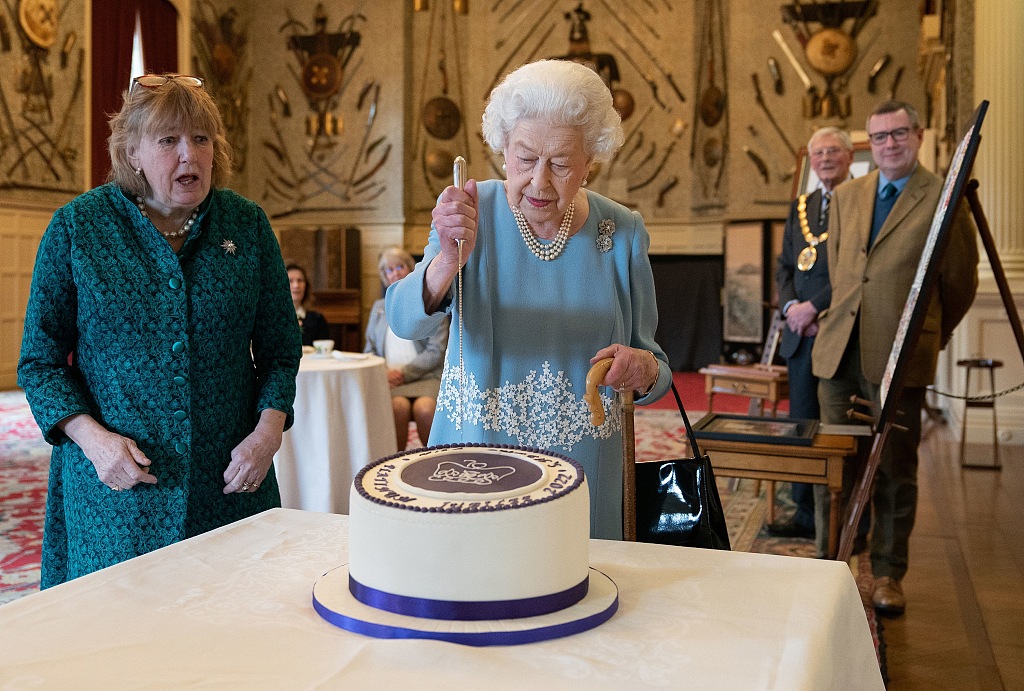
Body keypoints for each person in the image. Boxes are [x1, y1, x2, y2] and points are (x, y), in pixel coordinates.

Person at [17, 74, 302, 588]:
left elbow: (281, 352)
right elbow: (39, 363)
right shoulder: (78, 228)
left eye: (201, 139)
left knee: (232, 628)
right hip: (117, 495)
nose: (188, 155)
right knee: (122, 639)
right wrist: (94, 441)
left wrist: (268, 433)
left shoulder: (248, 225)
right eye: (168, 140)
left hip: (229, 486)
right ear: (132, 154)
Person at [386, 59, 671, 540]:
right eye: (524, 157)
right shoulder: (469, 209)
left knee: (581, 596)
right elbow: (402, 320)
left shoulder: (622, 232)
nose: (539, 181)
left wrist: (642, 369)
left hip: (585, 469)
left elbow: (656, 368)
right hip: (478, 462)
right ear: (502, 149)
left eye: (560, 164)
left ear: (589, 162)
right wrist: (445, 263)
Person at [812, 100, 978, 615]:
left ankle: (887, 572)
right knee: (835, 464)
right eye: (879, 136)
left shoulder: (943, 199)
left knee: (893, 470)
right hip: (839, 352)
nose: (889, 144)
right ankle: (832, 563)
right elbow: (845, 273)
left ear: (919, 135)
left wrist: (930, 337)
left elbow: (960, 285)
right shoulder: (849, 195)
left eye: (898, 133)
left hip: (898, 360)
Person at [768, 127, 854, 541]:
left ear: (850, 155)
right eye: (818, 152)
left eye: (833, 151)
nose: (824, 158)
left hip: (840, 332)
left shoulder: (862, 203)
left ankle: (844, 518)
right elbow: (785, 265)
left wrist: (814, 307)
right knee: (802, 424)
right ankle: (804, 515)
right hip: (800, 334)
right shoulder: (803, 205)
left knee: (836, 429)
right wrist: (790, 308)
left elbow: (855, 270)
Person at [364, 247, 450, 449]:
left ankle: (438, 462)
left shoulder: (430, 302)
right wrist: (383, 374)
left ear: (411, 269)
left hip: (427, 377)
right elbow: (370, 350)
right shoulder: (378, 308)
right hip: (391, 382)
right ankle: (395, 466)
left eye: (400, 266)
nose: (395, 273)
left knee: (425, 409)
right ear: (384, 277)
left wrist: (403, 374)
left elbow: (436, 352)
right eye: (389, 270)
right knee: (397, 408)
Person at [286, 263, 330, 346]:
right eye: (290, 281)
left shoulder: (318, 320)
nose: (296, 285)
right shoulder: (273, 319)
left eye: (300, 280)